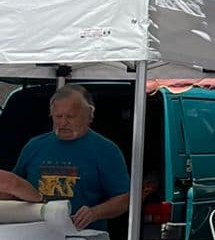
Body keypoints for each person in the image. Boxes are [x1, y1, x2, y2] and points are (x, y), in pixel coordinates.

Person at [0, 84, 131, 231]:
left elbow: (123, 199)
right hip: (37, 235)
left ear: (89, 115)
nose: (62, 123)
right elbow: (13, 190)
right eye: (58, 116)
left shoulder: (106, 150)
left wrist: (94, 213)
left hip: (84, 238)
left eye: (70, 117)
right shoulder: (34, 146)